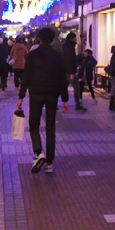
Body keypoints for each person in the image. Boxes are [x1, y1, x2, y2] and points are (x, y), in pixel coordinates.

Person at [17, 26, 69, 174]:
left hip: (36, 93)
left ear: (39, 38)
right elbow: (62, 78)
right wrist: (65, 99)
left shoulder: (33, 55)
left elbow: (26, 76)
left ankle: (39, 152)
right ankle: (50, 163)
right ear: (52, 39)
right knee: (50, 127)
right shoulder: (57, 56)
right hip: (52, 94)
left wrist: (21, 96)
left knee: (34, 123)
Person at [63, 32, 86, 111]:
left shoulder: (66, 47)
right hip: (70, 71)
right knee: (76, 88)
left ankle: (55, 103)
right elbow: (70, 61)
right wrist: (72, 72)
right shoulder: (70, 48)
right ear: (71, 39)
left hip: (66, 71)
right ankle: (78, 105)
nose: (76, 39)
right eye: (75, 38)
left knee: (63, 88)